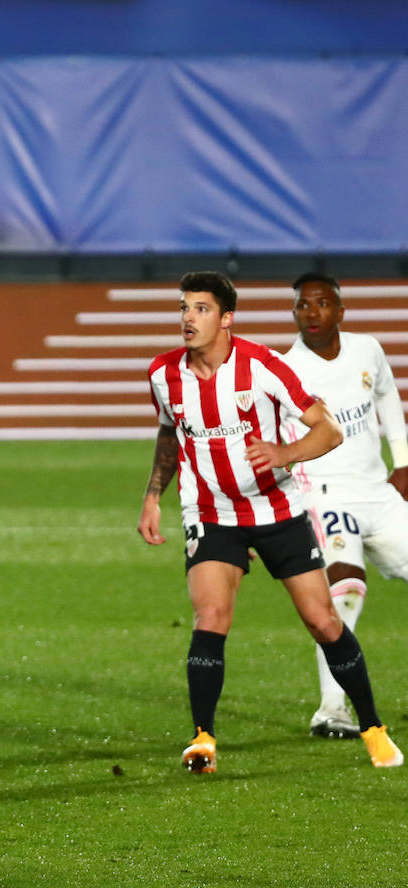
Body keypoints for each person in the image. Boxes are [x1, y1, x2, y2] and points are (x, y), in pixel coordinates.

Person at [137, 271, 402, 772]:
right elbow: (170, 432)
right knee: (211, 616)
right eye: (184, 308)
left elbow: (328, 430)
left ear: (227, 318)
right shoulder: (163, 374)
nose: (189, 318)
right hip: (212, 514)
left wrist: (285, 453)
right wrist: (153, 496)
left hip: (277, 510)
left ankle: (372, 727)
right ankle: (203, 739)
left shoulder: (263, 366)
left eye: (201, 309)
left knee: (323, 621)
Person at [280, 272, 408, 738]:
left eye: (321, 303)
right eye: (303, 305)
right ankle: (332, 710)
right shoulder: (286, 369)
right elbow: (277, 442)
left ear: (340, 310)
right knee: (345, 589)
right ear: (294, 313)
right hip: (323, 493)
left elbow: (387, 396)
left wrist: (403, 461)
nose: (312, 313)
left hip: (378, 492)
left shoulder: (367, 350)